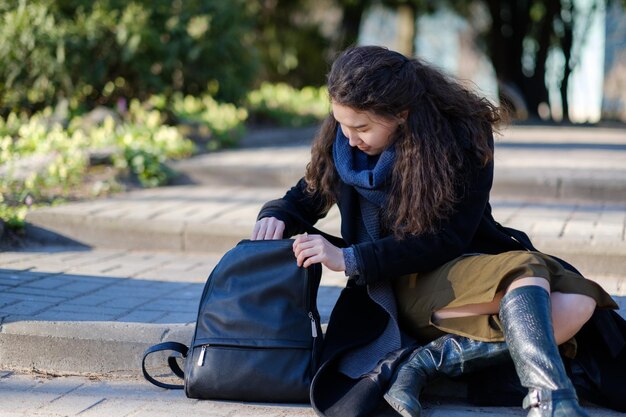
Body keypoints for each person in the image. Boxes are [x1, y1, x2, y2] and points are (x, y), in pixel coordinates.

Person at [251, 45, 618, 417]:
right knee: (531, 273)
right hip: (394, 286)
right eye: (341, 123)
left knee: (579, 302)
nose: (348, 138)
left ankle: (427, 362)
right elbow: (306, 196)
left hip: (456, 261)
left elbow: (447, 239)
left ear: (401, 114)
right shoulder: (344, 143)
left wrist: (351, 257)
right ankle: (553, 404)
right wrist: (278, 214)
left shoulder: (461, 140)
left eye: (361, 127)